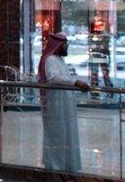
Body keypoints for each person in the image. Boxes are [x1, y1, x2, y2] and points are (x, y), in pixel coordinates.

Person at [38, 31, 90, 172]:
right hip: (55, 105)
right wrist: (75, 82)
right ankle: (55, 167)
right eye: (65, 44)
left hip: (64, 104)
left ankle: (66, 165)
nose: (66, 47)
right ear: (58, 45)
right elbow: (53, 78)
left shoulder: (59, 59)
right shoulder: (50, 59)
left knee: (66, 134)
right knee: (57, 135)